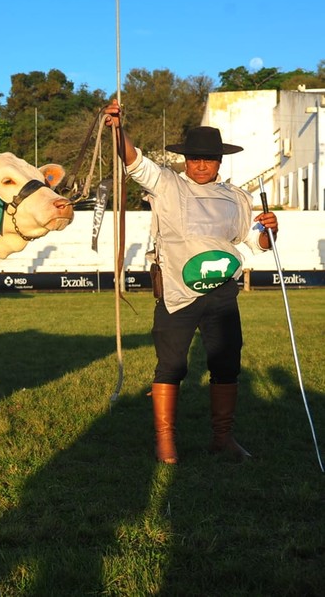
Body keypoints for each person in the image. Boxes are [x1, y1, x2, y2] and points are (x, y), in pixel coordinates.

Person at [104, 100, 279, 464]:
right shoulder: (166, 184)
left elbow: (255, 243)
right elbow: (133, 160)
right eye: (195, 158)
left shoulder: (237, 198)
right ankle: (165, 441)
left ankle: (223, 438)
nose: (201, 165)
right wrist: (119, 129)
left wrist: (269, 231)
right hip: (176, 292)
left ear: (220, 161)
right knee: (171, 366)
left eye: (209, 159)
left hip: (222, 294)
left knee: (226, 365)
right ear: (185, 159)